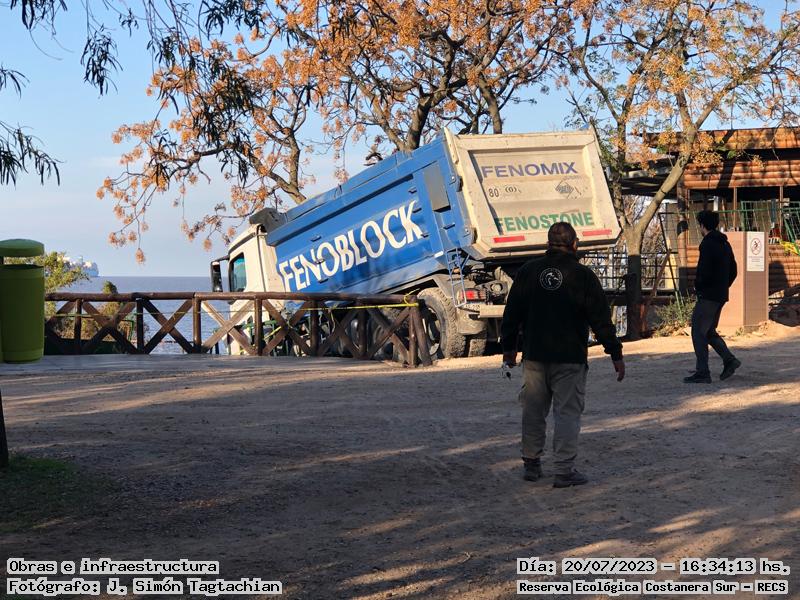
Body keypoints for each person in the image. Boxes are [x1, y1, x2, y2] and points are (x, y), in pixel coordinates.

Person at [501, 222, 624, 488]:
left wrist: (508, 349)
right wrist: (615, 352)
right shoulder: (583, 276)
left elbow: (511, 314)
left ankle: (531, 464)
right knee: (567, 414)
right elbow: (601, 320)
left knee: (533, 410)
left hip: (535, 356)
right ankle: (564, 471)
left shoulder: (528, 271)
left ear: (547, 243)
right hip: (570, 357)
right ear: (575, 244)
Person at [684, 210, 741, 384]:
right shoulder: (725, 243)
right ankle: (729, 360)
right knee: (708, 331)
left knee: (698, 331)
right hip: (720, 294)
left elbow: (704, 270)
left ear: (702, 225)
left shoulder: (707, 244)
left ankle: (703, 372)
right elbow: (734, 270)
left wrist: (699, 286)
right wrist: (723, 286)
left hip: (708, 294)